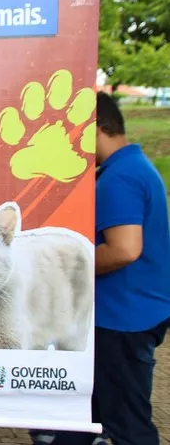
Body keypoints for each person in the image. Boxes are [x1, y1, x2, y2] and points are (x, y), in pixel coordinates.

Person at [90, 91, 170, 444]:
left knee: (128, 425)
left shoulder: (120, 177)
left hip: (123, 319)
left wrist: (71, 270)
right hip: (133, 312)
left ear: (96, 127)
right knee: (91, 414)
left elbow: (124, 249)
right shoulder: (133, 167)